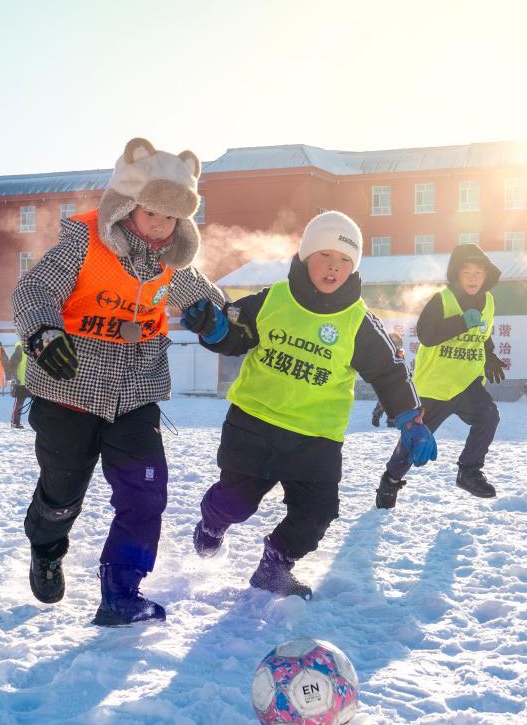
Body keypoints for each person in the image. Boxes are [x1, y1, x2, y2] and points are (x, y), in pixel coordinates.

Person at [11, 137, 224, 625]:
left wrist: (222, 323)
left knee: (146, 494)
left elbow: (214, 304)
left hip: (136, 394)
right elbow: (34, 289)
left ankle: (121, 591)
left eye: (170, 218)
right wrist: (43, 334)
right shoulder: (85, 244)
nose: (160, 226)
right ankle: (46, 548)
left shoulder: (174, 261)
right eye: (151, 213)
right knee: (62, 495)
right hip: (69, 390)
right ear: (127, 206)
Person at [183, 211, 436, 600]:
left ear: (353, 270)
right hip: (254, 425)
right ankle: (213, 523)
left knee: (318, 511)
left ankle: (275, 566)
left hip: (316, 438)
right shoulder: (273, 300)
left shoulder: (358, 322)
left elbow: (389, 371)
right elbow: (235, 336)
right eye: (325, 256)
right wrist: (216, 330)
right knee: (236, 502)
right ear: (304, 257)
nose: (334, 267)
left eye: (344, 261)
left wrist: (410, 419)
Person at [375, 244, 507, 507]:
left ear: (486, 275)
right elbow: (426, 334)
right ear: (456, 274)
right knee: (415, 443)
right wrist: (462, 322)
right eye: (466, 271)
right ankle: (390, 481)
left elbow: (483, 331)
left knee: (489, 416)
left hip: (467, 384)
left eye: (478, 271)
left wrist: (489, 352)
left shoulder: (489, 301)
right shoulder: (442, 300)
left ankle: (468, 471)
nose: (472, 276)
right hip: (434, 388)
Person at [371, 332, 407, 427]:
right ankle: (376, 415)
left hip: (396, 379)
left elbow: (402, 364)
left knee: (394, 400)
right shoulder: (382, 350)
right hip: (384, 378)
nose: (396, 345)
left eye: (398, 343)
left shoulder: (401, 352)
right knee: (384, 400)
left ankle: (391, 420)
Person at [7, 341, 30, 429]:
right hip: (21, 382)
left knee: (40, 403)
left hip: (34, 381)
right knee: (19, 403)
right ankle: (15, 423)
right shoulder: (20, 347)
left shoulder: (38, 344)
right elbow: (12, 363)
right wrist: (13, 376)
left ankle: (40, 423)